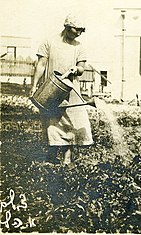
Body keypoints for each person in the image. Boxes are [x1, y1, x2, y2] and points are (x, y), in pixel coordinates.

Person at [29, 14, 93, 165]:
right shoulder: (49, 42)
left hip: (71, 90)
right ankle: (51, 157)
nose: (79, 33)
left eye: (81, 30)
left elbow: (82, 68)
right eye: (76, 30)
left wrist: (76, 69)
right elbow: (41, 65)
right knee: (52, 122)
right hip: (51, 89)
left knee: (70, 123)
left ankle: (67, 158)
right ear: (67, 27)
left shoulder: (79, 47)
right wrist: (34, 85)